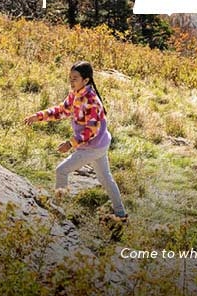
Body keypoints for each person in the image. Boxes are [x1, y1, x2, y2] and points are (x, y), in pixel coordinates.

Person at [23, 61, 127, 221]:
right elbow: (62, 110)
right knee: (105, 179)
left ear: (86, 80)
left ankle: (58, 211)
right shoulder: (75, 94)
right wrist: (38, 116)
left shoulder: (91, 100)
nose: (71, 81)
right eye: (70, 78)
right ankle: (121, 214)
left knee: (61, 170)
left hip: (93, 147)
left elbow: (91, 130)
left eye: (75, 78)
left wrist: (70, 144)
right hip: (99, 144)